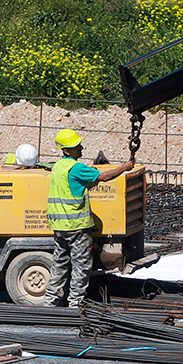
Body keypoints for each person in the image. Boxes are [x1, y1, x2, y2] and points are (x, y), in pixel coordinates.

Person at [44, 129, 135, 308]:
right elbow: (104, 176)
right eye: (77, 146)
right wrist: (124, 167)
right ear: (67, 151)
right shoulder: (76, 168)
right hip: (77, 226)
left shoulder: (58, 167)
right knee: (81, 266)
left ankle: (50, 302)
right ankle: (75, 304)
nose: (81, 148)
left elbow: (75, 185)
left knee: (59, 264)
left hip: (60, 226)